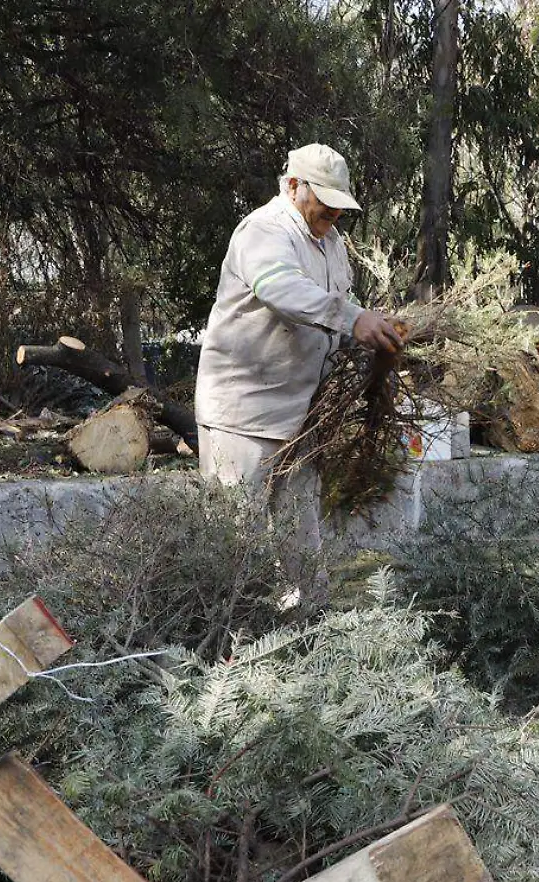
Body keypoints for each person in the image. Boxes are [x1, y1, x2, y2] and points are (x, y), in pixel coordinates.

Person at [195, 144, 404, 604]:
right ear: (293, 186)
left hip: (300, 415)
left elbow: (331, 317)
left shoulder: (329, 242)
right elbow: (281, 289)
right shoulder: (263, 231)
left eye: (337, 205)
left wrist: (372, 331)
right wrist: (353, 318)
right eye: (324, 201)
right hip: (244, 417)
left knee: (300, 545)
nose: (333, 212)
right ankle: (229, 655)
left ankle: (307, 640)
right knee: (236, 547)